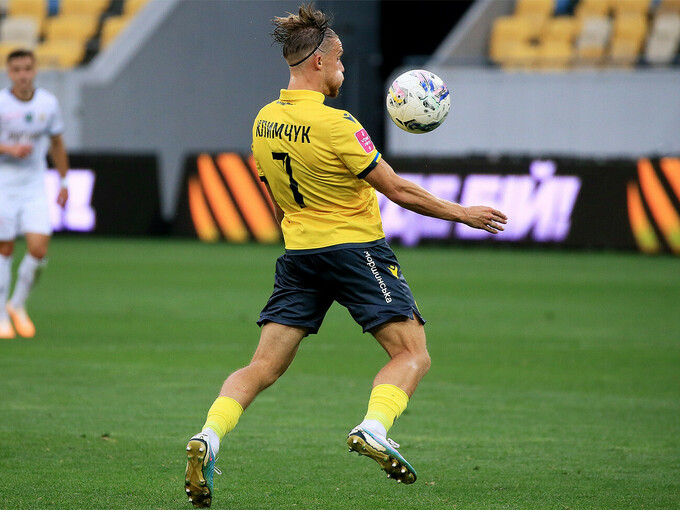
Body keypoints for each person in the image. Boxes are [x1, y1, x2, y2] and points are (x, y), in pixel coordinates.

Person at [184, 4, 507, 508]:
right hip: (356, 251)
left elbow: (276, 199)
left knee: (262, 365)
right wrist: (463, 213)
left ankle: (209, 435)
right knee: (412, 354)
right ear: (318, 61)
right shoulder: (338, 124)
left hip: (299, 255)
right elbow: (397, 189)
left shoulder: (264, 121)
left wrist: (300, 235)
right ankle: (374, 428)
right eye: (339, 62)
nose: (342, 71)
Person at [0, 49, 69, 339]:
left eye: (27, 69)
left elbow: (57, 143)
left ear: (35, 70)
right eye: (17, 70)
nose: (23, 75)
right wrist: (8, 149)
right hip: (4, 185)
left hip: (34, 186)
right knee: (4, 249)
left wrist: (64, 181)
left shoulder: (48, 103)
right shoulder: (1, 104)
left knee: (39, 250)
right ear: (9, 73)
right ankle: (1, 315)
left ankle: (17, 304)